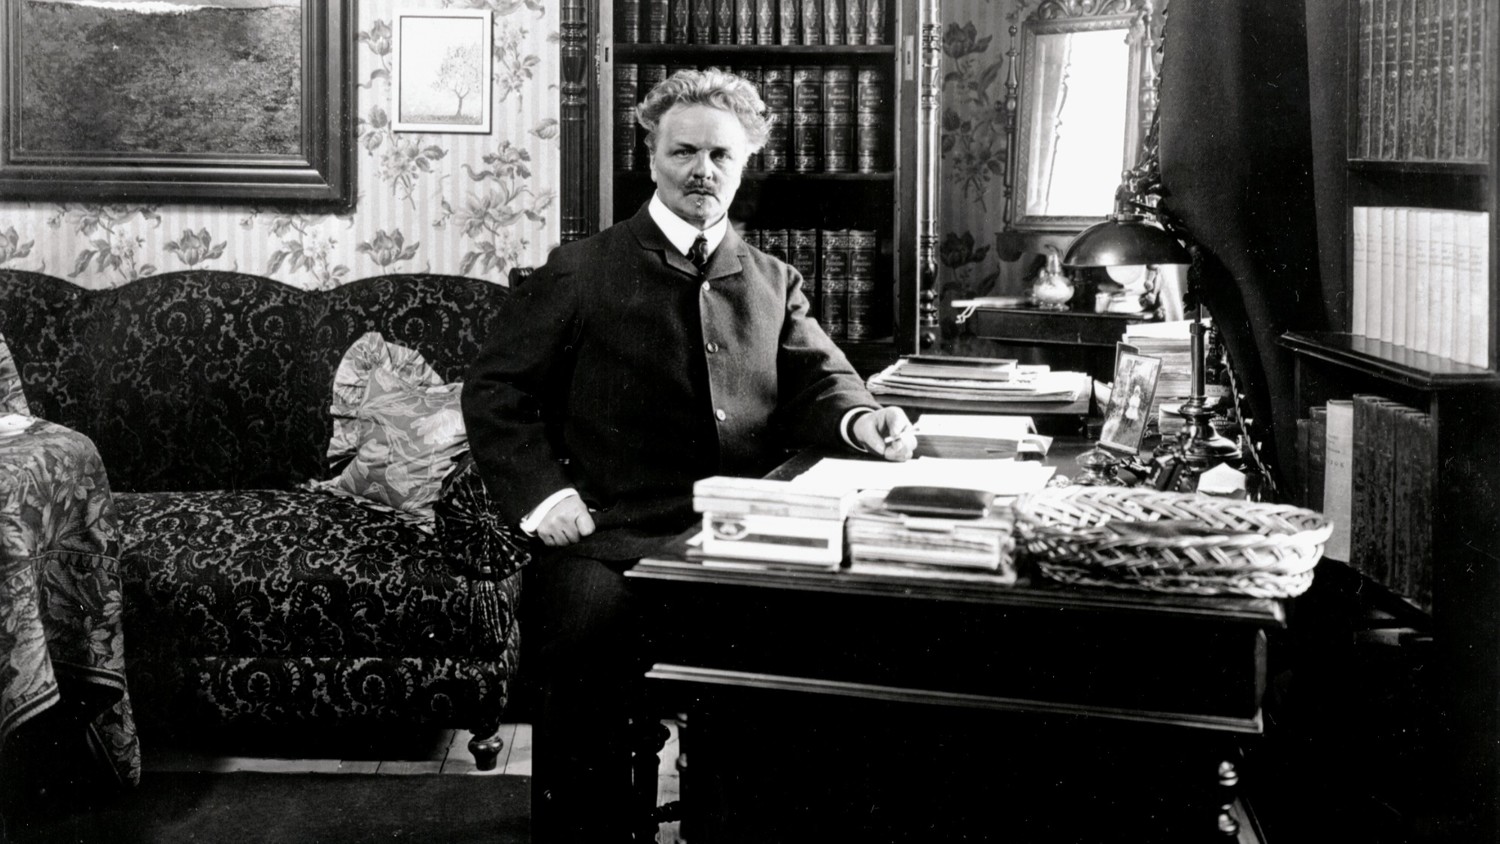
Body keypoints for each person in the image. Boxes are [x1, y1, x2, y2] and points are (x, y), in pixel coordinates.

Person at [461, 68, 917, 843]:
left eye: (721, 157)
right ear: (652, 156)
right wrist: (546, 498)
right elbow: (497, 393)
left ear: (745, 166)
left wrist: (863, 422)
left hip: (738, 541)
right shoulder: (579, 271)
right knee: (580, 647)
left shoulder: (773, 279)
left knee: (812, 665)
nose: (702, 171)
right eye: (684, 153)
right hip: (609, 538)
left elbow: (823, 381)